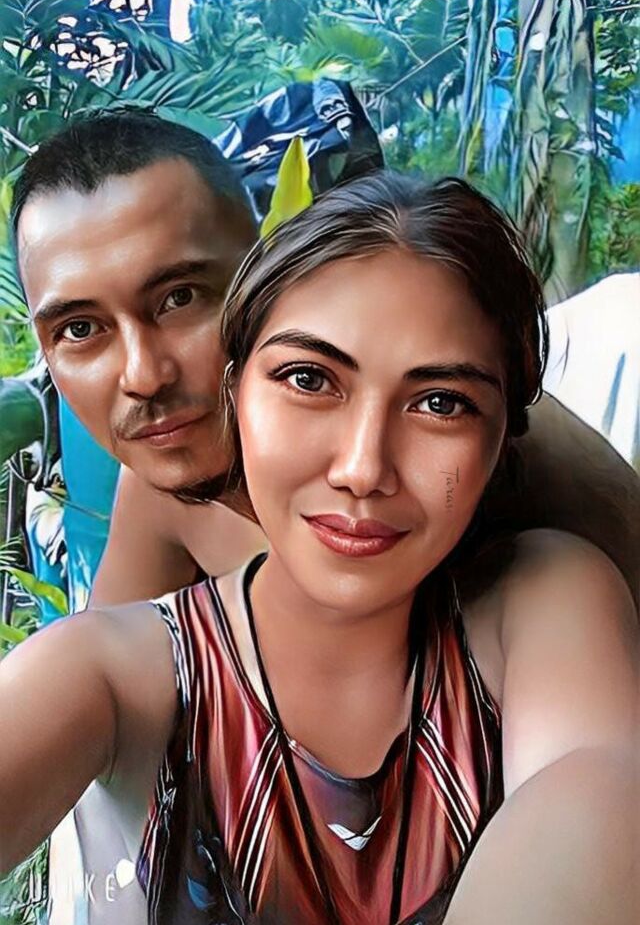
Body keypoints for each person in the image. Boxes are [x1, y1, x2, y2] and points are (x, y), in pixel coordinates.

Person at [2, 173, 637, 925]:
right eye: (309, 379)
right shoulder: (155, 535)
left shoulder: (546, 575)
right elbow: (106, 676)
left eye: (441, 402)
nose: (363, 468)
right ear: (239, 385)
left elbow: (594, 790)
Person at [13, 109, 640, 613]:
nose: (144, 377)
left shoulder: (471, 464)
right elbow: (98, 670)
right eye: (79, 329)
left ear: (267, 274)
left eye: (181, 298)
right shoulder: (170, 483)